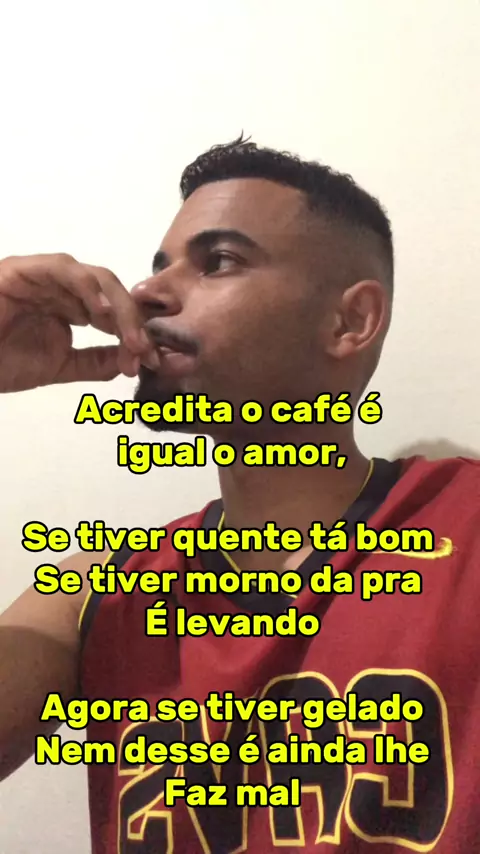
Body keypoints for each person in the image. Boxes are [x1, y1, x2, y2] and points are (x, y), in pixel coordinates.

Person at [0, 138, 478, 854]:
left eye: (218, 260)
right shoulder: (98, 592)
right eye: (159, 265)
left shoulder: (465, 534)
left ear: (349, 322)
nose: (147, 293)